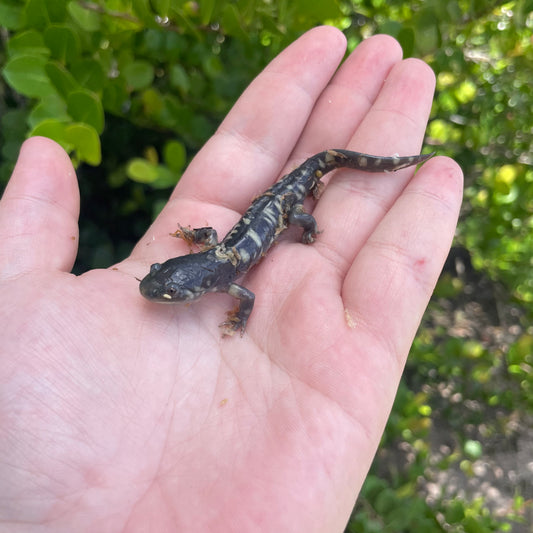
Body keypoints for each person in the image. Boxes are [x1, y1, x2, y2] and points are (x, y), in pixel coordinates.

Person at [0, 26, 462, 532]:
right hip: (275, 197)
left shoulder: (228, 278)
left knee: (299, 214)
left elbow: (248, 295)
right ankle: (351, 176)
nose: (161, 289)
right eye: (164, 279)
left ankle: (389, 167)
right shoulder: (220, 267)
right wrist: (197, 247)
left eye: (170, 288)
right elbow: (218, 258)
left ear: (198, 289)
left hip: (286, 199)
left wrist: (300, 236)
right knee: (291, 198)